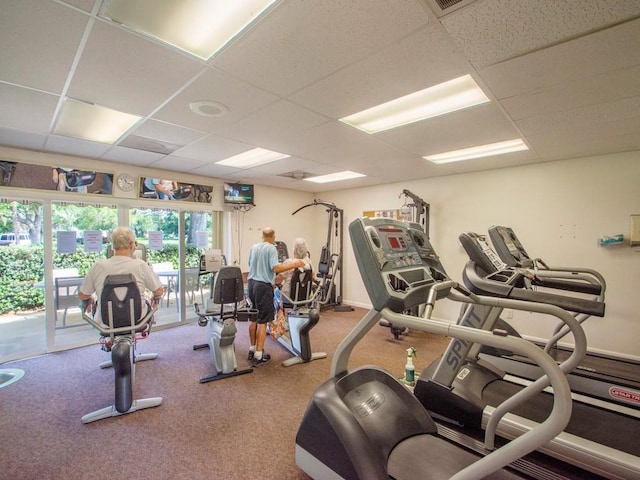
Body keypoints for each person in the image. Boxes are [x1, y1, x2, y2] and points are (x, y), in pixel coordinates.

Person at [79, 226, 164, 324]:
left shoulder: (98, 266)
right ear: (132, 244)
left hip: (105, 323)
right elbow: (158, 290)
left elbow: (84, 295)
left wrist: (90, 298)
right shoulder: (140, 265)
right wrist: (154, 297)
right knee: (146, 299)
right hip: (137, 320)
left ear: (112, 245)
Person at [247, 227, 304, 366]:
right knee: (262, 321)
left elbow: (250, 264)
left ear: (262, 236)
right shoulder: (271, 248)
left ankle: (252, 349)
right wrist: (294, 264)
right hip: (262, 287)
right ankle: (259, 355)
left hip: (251, 284)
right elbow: (276, 268)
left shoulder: (254, 247)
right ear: (273, 237)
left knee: (254, 317)